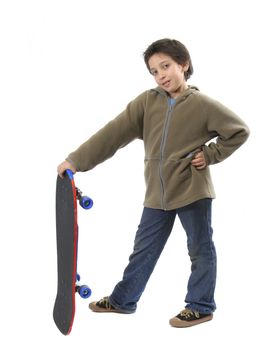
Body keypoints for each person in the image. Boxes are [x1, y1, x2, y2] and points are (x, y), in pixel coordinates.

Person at [57, 38, 250, 327]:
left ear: (183, 65)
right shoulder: (147, 103)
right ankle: (124, 300)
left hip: (191, 190)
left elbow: (239, 131)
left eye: (166, 66)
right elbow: (113, 133)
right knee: (143, 249)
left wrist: (210, 154)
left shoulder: (202, 105)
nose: (161, 75)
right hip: (157, 194)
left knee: (199, 249)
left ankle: (200, 305)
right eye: (154, 71)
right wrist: (76, 160)